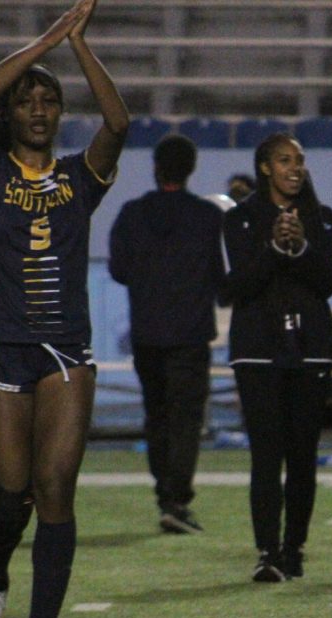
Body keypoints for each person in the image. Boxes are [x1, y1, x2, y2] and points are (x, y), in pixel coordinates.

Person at [0, 0, 128, 618]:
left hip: (64, 348)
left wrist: (80, 48)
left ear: (58, 115)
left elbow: (117, 121)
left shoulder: (79, 180)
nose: (36, 108)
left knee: (55, 485)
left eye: (48, 101)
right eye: (28, 99)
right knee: (8, 498)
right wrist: (47, 40)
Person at [222, 132, 332, 582]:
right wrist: (273, 248)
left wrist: (302, 247)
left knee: (303, 454)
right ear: (265, 167)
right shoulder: (239, 220)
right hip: (257, 350)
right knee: (267, 455)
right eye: (285, 160)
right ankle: (267, 552)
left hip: (311, 350)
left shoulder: (323, 219)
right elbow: (234, 288)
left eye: (300, 160)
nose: (295, 168)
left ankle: (295, 549)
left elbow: (327, 283)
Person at [108, 134, 224, 534]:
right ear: (190, 169)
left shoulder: (131, 213)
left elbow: (118, 270)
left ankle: (165, 495)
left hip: (147, 332)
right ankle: (176, 500)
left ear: (156, 167)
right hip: (190, 335)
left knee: (156, 417)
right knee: (185, 421)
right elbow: (221, 275)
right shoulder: (209, 217)